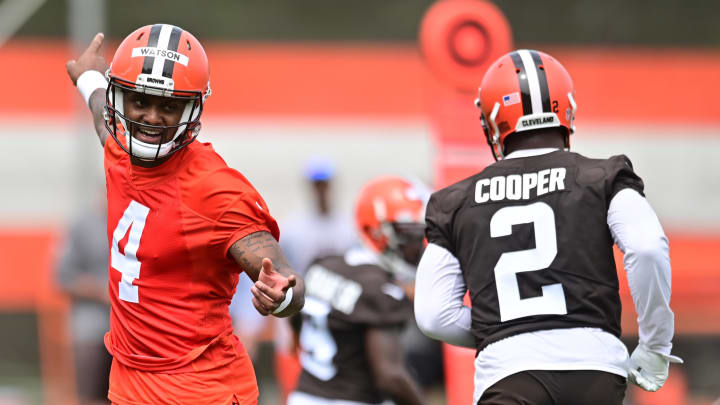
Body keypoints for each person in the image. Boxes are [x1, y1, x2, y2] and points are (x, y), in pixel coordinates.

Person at [414, 49, 682, 405]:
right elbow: (647, 248)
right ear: (565, 109)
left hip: (509, 374)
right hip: (595, 367)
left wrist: (501, 329)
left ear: (492, 122)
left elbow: (434, 315)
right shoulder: (601, 176)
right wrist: (655, 345)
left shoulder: (456, 201)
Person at [65, 25, 305, 405]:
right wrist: (89, 77)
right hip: (129, 382)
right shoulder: (118, 148)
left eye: (169, 105)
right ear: (120, 99)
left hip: (199, 389)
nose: (151, 118)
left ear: (192, 109)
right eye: (140, 101)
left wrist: (281, 297)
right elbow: (100, 117)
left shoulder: (215, 190)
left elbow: (286, 279)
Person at [288, 177, 428, 405]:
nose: (416, 245)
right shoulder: (380, 290)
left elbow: (294, 319)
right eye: (408, 235)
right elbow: (390, 376)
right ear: (375, 232)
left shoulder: (322, 264)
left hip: (303, 396)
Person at [55, 197, 111, 405]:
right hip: (92, 329)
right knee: (92, 397)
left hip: (132, 330)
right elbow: (62, 277)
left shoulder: (141, 219)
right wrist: (101, 291)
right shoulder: (83, 225)